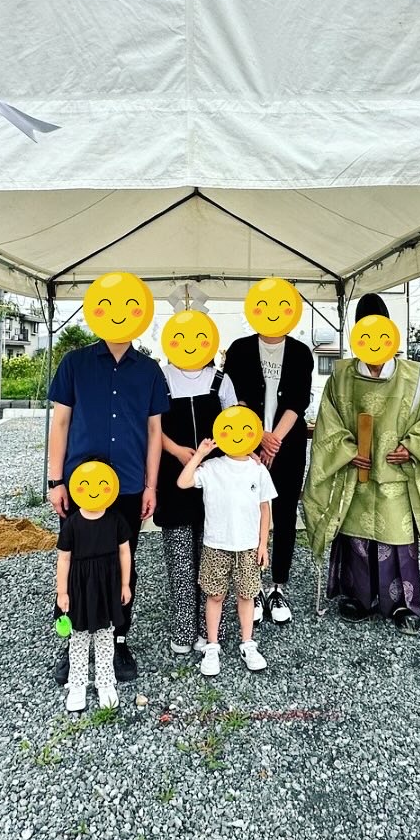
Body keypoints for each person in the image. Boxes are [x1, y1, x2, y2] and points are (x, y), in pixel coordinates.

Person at [302, 294, 420, 633]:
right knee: (357, 541)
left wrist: (413, 446)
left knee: (397, 542)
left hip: (397, 477)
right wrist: (347, 449)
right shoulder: (342, 376)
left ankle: (403, 606)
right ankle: (359, 599)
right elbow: (328, 425)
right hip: (355, 474)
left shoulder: (414, 377)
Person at [47, 275, 170, 685]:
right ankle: (73, 643)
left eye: (129, 306)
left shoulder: (150, 370)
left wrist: (151, 485)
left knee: (123, 566)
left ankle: (117, 639)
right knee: (76, 564)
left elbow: (154, 432)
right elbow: (60, 422)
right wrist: (54, 481)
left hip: (130, 486)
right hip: (79, 488)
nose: (119, 314)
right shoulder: (75, 364)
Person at [223, 285, 313, 626]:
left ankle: (278, 585)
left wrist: (274, 439)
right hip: (245, 445)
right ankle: (253, 586)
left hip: (287, 446)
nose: (273, 311)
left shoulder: (302, 353)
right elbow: (235, 397)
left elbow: (298, 402)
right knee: (249, 513)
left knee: (286, 512)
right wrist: (257, 436)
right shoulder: (241, 349)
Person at [156, 351, 238, 655]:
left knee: (213, 554)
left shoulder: (221, 380)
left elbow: (236, 426)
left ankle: (209, 626)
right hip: (172, 478)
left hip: (214, 481)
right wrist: (176, 450)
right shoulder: (161, 378)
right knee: (179, 559)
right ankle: (183, 625)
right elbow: (152, 426)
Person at [178, 434, 276, 676]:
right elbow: (183, 482)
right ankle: (212, 646)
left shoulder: (258, 469)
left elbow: (265, 509)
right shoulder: (212, 467)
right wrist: (200, 454)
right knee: (215, 595)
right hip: (216, 544)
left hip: (248, 546)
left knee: (247, 595)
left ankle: (247, 643)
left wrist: (263, 544)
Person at [55, 480, 132, 711]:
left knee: (105, 638)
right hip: (79, 589)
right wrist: (62, 591)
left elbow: (125, 552)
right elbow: (64, 559)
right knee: (78, 639)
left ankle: (106, 682)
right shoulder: (71, 524)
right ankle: (77, 684)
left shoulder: (116, 520)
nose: (94, 491)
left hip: (107, 588)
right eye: (85, 485)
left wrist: (125, 584)